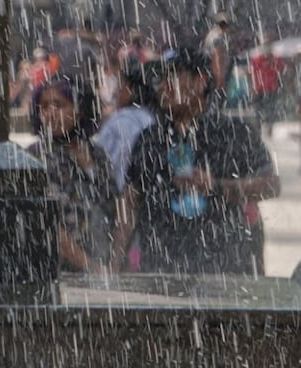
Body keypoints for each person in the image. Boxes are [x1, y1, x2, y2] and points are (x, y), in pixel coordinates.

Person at [113, 48, 280, 275]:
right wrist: (116, 262)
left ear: (200, 81)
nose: (162, 86)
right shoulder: (151, 138)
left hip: (224, 271)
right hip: (161, 272)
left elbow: (271, 185)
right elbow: (130, 202)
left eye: (172, 77)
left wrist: (218, 187)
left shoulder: (233, 133)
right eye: (160, 79)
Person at [28, 76, 118, 272]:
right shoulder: (35, 157)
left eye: (59, 105)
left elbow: (115, 206)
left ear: (79, 111)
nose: (51, 113)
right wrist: (89, 266)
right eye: (44, 107)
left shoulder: (97, 154)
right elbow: (46, 223)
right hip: (60, 270)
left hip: (103, 262)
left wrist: (115, 262)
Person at [94, 59, 159, 271]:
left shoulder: (118, 121)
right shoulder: (153, 121)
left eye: (120, 87)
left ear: (130, 90)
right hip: (148, 206)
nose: (116, 93)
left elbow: (105, 163)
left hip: (121, 205)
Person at [250, 33, 287, 136]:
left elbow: (283, 70)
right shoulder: (257, 59)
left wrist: (280, 83)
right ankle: (259, 129)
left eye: (269, 45)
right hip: (260, 90)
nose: (267, 48)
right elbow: (252, 74)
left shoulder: (276, 59)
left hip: (271, 89)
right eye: (266, 45)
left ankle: (268, 128)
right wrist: (253, 87)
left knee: (270, 110)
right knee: (259, 110)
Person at [201, 10, 234, 102]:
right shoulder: (218, 37)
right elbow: (217, 57)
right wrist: (219, 77)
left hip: (209, 73)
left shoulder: (212, 35)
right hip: (214, 74)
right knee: (216, 99)